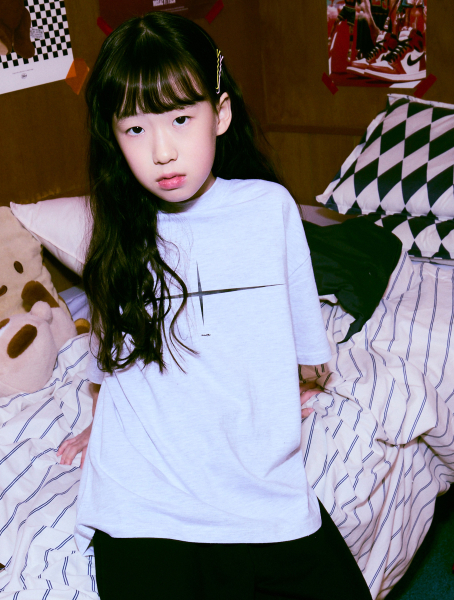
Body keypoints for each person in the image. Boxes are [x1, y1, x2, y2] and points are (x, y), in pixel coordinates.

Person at [57, 12, 373, 600]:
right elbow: (114, 358)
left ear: (220, 114)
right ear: (113, 136)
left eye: (181, 119)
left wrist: (294, 386)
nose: (162, 151)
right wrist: (99, 420)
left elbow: (305, 342)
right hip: (142, 499)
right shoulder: (116, 227)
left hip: (261, 490)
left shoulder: (269, 209)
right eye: (135, 129)